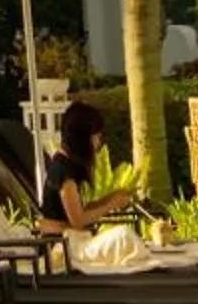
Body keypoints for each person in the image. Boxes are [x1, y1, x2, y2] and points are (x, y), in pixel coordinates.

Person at [37, 99, 141, 237]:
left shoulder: (65, 165)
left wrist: (111, 199)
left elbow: (80, 211)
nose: (98, 143)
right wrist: (110, 205)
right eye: (96, 137)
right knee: (123, 236)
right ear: (83, 139)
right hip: (64, 247)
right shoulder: (64, 173)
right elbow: (78, 221)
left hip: (71, 241)